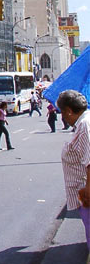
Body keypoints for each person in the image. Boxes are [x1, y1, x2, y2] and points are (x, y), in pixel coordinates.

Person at [57, 90, 90, 250]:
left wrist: (88, 192)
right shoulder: (84, 123)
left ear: (69, 110)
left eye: (62, 112)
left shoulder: (85, 126)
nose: (63, 117)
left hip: (86, 192)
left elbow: (89, 161)